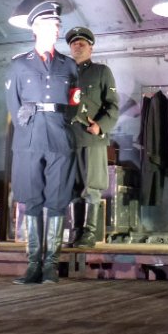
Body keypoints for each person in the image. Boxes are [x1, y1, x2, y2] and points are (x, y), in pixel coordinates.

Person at [6, 1, 80, 284]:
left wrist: (59, 122)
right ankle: (33, 264)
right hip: (29, 136)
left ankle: (51, 265)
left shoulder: (68, 65)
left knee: (58, 199)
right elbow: (13, 103)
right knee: (31, 198)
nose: (56, 29)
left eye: (58, 25)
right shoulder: (19, 64)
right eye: (51, 25)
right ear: (35, 28)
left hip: (59, 135)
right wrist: (28, 127)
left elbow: (74, 102)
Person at [65, 26, 119, 249]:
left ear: (91, 48)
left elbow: (112, 105)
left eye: (82, 43)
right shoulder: (64, 74)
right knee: (73, 187)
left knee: (92, 187)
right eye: (74, 43)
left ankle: (89, 232)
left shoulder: (101, 71)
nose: (77, 46)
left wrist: (100, 126)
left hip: (91, 136)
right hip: (68, 139)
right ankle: (77, 231)